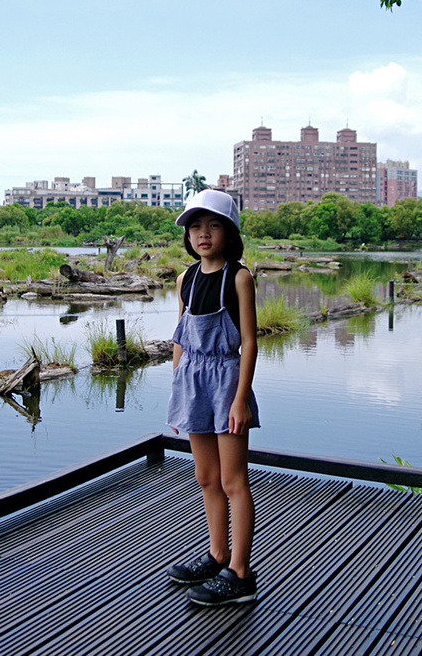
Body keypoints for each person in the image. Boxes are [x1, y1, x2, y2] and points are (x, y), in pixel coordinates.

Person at [164, 189, 260, 606]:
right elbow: (181, 338)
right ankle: (217, 554)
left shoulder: (238, 278)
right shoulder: (185, 278)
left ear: (229, 231)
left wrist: (240, 400)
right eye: (195, 227)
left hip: (226, 381)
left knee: (232, 480)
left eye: (213, 225)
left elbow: (251, 343)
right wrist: (177, 392)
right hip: (192, 382)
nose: (203, 234)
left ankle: (240, 572)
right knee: (206, 478)